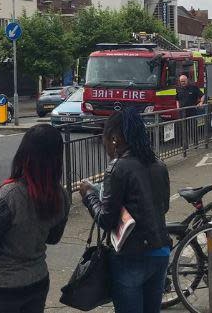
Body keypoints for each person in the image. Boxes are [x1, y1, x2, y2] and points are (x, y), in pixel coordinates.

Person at [79, 108, 171, 313]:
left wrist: (88, 195)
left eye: (105, 138)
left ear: (115, 139)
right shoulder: (159, 164)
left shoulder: (117, 167)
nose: (104, 144)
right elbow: (164, 206)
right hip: (161, 251)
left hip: (131, 257)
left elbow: (105, 220)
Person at [0, 124, 71, 313]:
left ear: (25, 154)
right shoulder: (62, 196)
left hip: (1, 288)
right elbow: (53, 238)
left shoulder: (8, 195)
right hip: (37, 281)